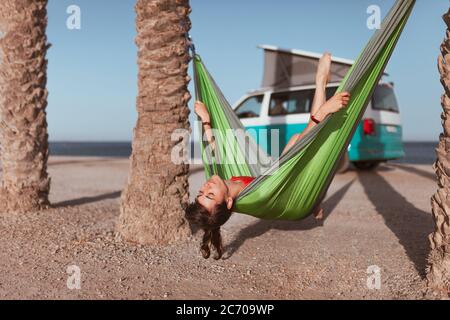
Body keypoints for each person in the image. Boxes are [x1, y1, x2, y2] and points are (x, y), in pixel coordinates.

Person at [186, 53, 351, 259]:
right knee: (300, 143)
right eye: (210, 195)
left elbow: (213, 149)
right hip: (289, 190)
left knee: (296, 139)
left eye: (201, 192)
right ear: (228, 202)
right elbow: (288, 168)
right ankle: (314, 198)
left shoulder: (222, 181)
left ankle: (320, 84)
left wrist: (206, 120)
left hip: (277, 174)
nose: (206, 187)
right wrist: (323, 112)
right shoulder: (256, 196)